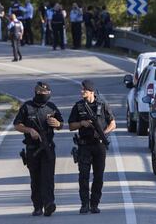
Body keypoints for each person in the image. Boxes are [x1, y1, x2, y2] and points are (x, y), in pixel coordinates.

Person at [14, 82, 64, 217]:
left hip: (48, 148)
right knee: (35, 178)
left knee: (48, 177)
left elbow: (62, 124)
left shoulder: (51, 107)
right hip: (32, 149)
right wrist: (29, 130)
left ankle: (49, 203)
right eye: (43, 94)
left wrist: (58, 124)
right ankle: (37, 206)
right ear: (37, 93)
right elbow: (17, 125)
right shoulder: (27, 107)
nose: (45, 96)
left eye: (47, 94)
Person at [68, 80, 116, 214]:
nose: (82, 92)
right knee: (83, 176)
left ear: (91, 92)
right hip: (84, 146)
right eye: (82, 90)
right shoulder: (78, 106)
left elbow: (113, 123)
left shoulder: (102, 104)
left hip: (99, 146)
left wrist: (104, 133)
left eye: (84, 90)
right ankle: (84, 204)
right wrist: (81, 123)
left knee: (98, 176)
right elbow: (71, 126)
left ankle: (94, 204)